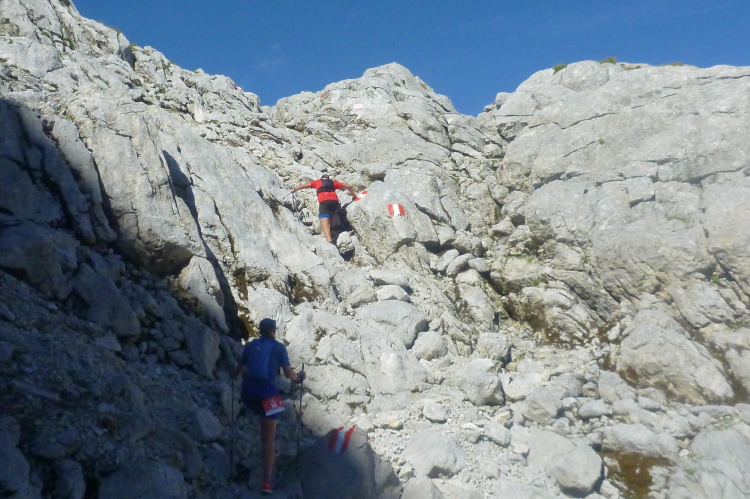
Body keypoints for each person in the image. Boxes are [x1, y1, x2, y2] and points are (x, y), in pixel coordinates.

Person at [232, 318, 306, 495]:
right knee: (268, 439)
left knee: (259, 422)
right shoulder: (279, 348)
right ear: (273, 331)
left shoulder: (250, 346)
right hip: (269, 394)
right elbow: (289, 375)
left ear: (260, 330)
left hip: (249, 393)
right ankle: (266, 482)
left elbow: (236, 372)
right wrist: (300, 377)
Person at [290, 174, 357, 244]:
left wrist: (294, 189)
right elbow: (349, 186)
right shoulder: (333, 183)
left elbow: (304, 186)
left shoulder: (317, 182)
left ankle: (329, 241)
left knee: (324, 223)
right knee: (332, 215)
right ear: (328, 178)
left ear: (322, 178)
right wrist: (354, 196)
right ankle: (333, 231)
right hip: (335, 202)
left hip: (324, 201)